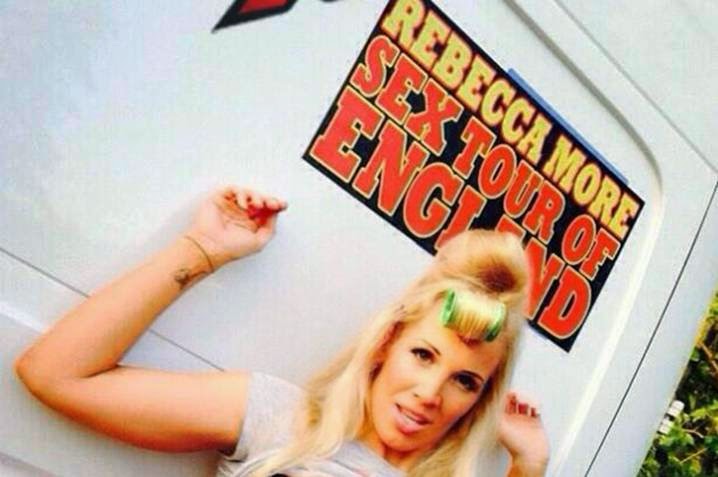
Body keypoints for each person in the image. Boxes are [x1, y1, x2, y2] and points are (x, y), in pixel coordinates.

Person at [14, 185, 550, 476]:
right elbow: (55, 374)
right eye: (424, 355)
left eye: (465, 381)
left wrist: (530, 464)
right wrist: (203, 251)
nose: (430, 394)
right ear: (386, 344)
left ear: (480, 400)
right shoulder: (284, 421)